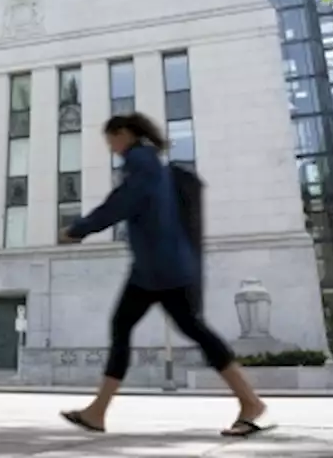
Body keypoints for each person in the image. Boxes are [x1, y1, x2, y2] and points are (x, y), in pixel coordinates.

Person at [57, 113, 270, 438]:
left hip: (159, 269)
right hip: (161, 267)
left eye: (112, 140)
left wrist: (77, 230)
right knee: (183, 327)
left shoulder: (140, 162)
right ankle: (97, 412)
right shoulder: (150, 163)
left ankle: (250, 401)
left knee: (155, 327)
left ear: (124, 133)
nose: (112, 148)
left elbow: (121, 203)